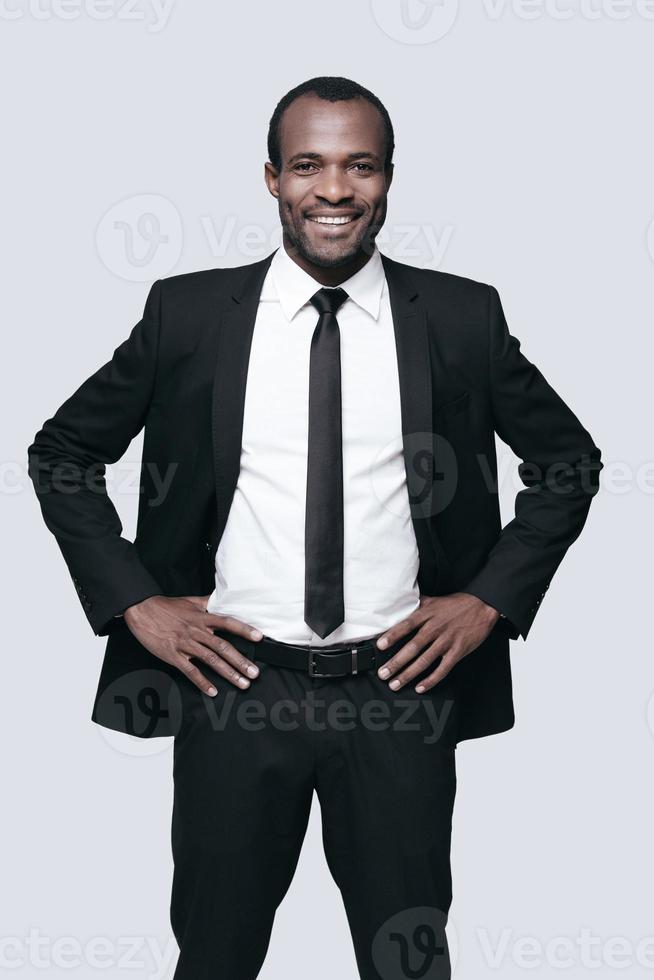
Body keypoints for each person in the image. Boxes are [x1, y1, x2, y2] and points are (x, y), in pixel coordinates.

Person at [27, 76, 602, 980]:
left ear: (388, 179)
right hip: (238, 687)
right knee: (215, 956)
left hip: (398, 691)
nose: (334, 190)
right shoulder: (187, 314)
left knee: (407, 963)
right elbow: (62, 452)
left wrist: (488, 601)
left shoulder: (458, 317)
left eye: (359, 166)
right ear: (271, 179)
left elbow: (569, 463)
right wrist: (136, 601)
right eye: (309, 165)